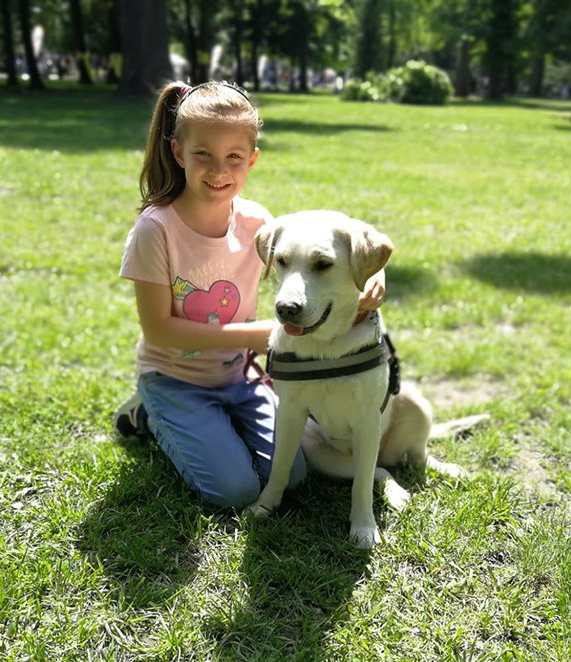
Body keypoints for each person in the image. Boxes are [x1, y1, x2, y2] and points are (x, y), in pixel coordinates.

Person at [113, 80, 384, 511]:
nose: (218, 170)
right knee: (235, 491)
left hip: (241, 379)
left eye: (234, 157)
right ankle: (147, 413)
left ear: (252, 159)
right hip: (175, 380)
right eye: (203, 154)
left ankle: (219, 426)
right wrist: (255, 336)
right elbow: (158, 330)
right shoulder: (155, 229)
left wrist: (373, 271)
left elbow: (325, 244)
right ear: (179, 152)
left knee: (293, 477)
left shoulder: (258, 223)